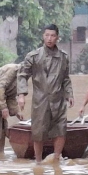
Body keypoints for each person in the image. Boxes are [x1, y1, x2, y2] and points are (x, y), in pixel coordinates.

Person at [17, 24, 74, 164]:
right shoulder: (33, 56)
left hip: (58, 99)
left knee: (61, 129)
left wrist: (69, 94)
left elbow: (66, 78)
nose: (49, 38)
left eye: (53, 36)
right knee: (38, 132)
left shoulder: (63, 57)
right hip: (40, 99)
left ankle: (56, 159)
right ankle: (38, 162)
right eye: (47, 35)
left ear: (57, 38)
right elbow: (22, 75)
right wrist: (21, 95)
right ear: (43, 36)